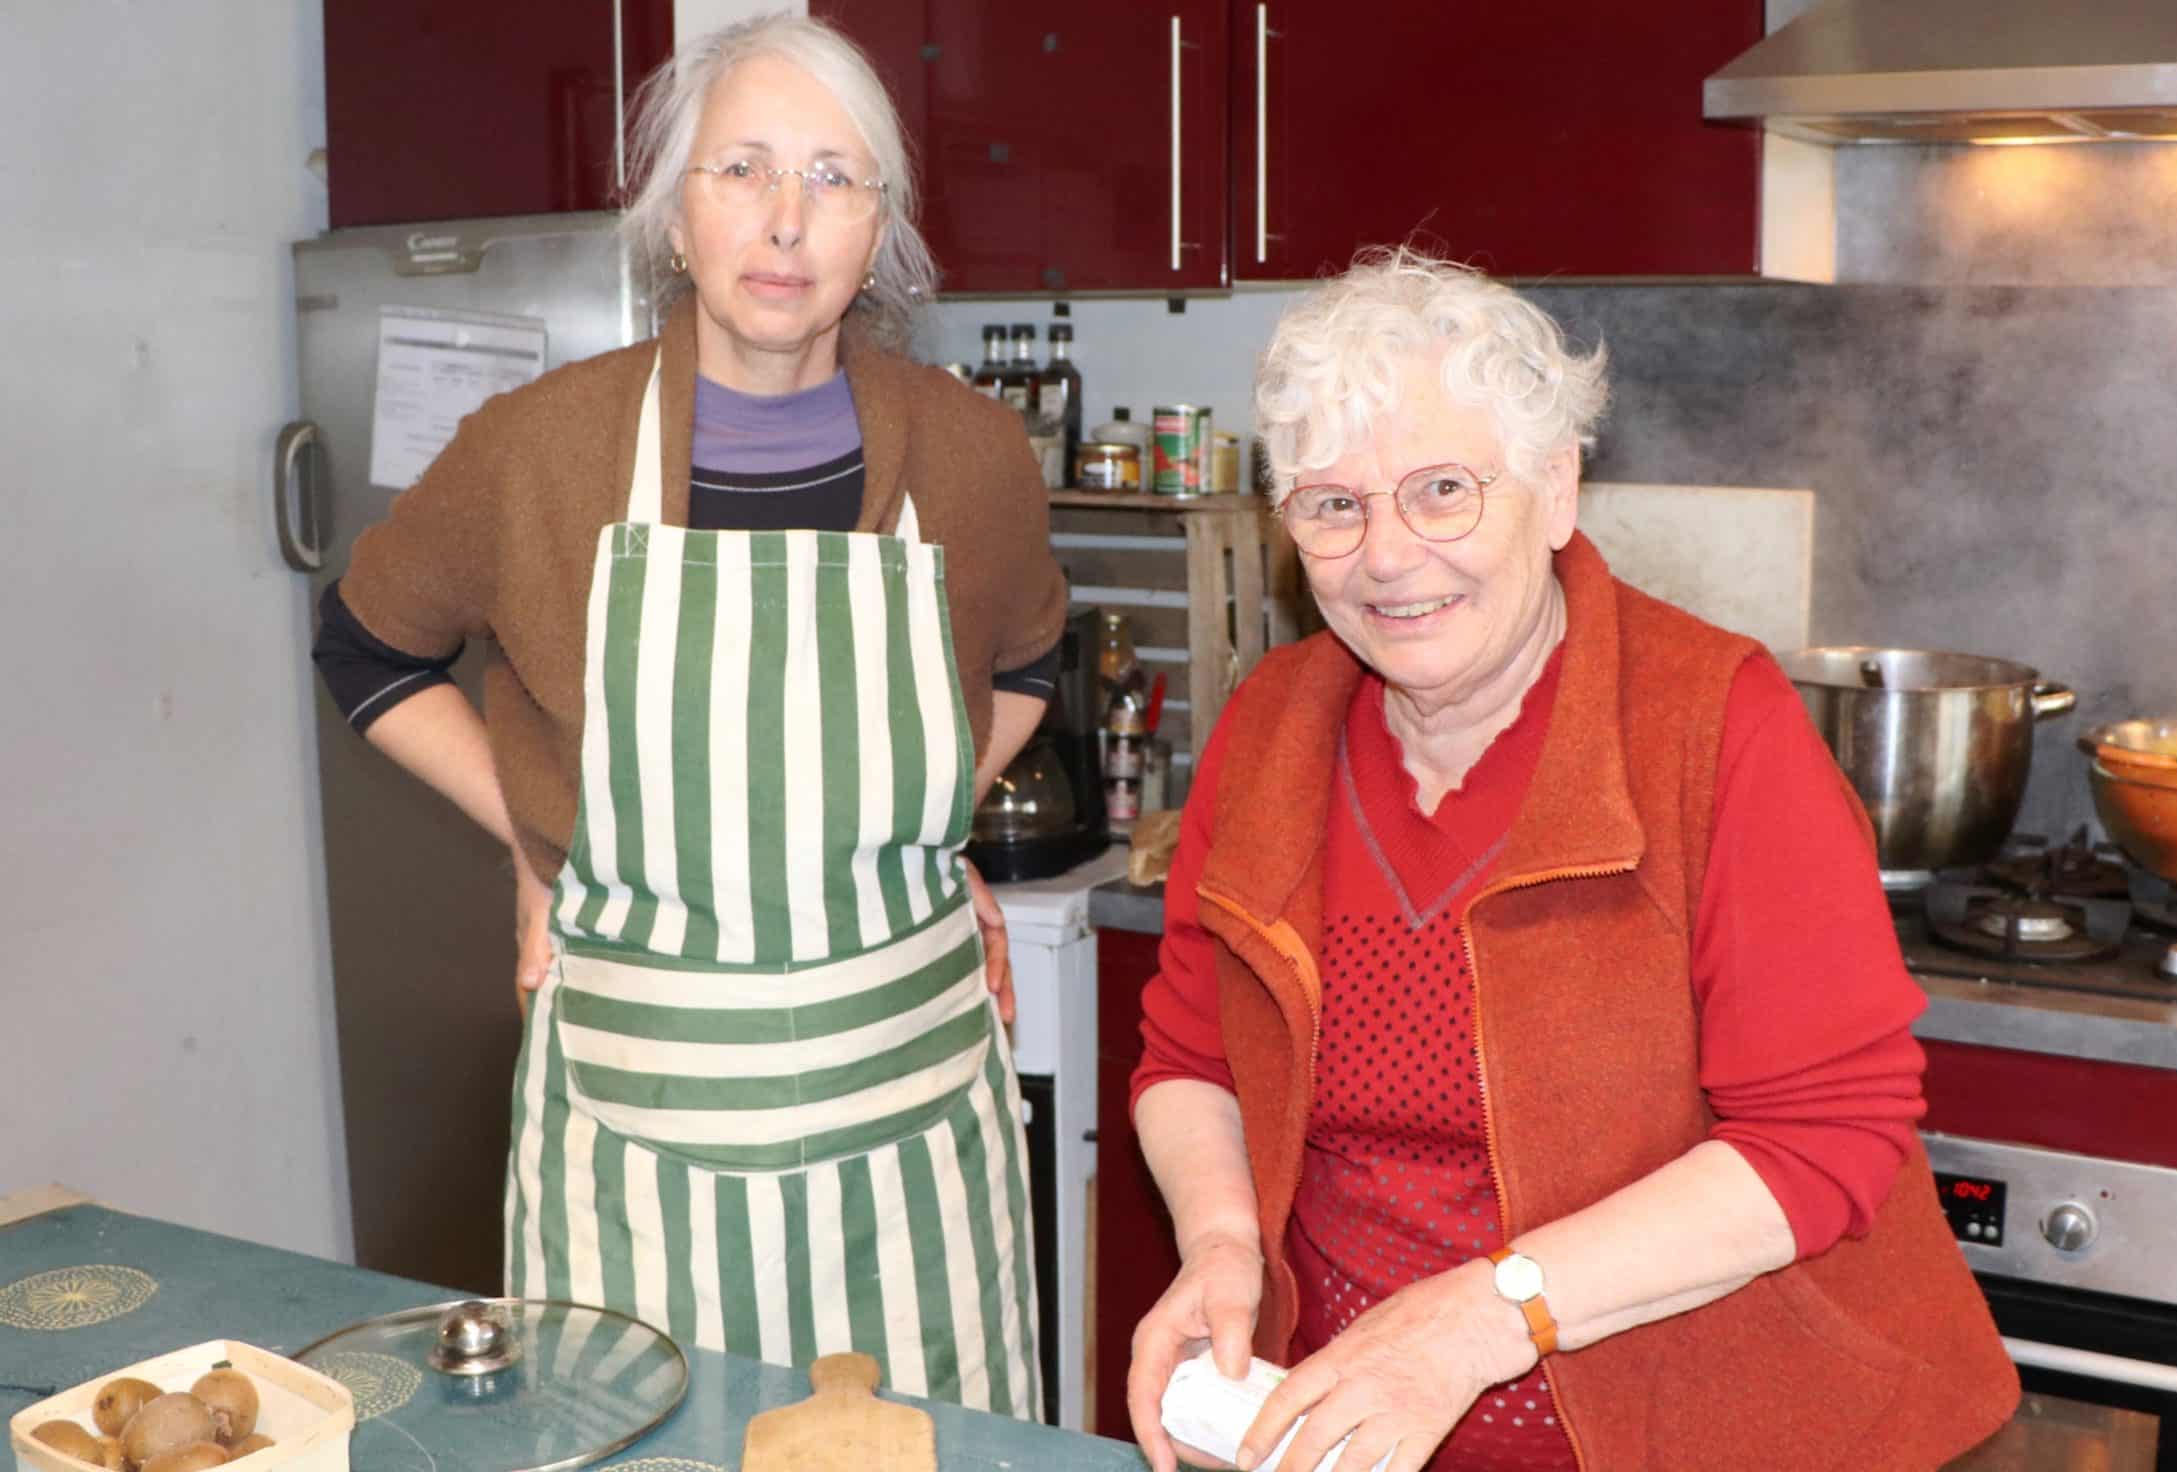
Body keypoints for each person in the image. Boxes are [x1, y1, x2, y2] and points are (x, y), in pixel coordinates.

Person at [1124, 249, 2018, 1471]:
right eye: (1332, 503)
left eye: (1442, 489)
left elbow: (1819, 1138)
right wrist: (1221, 1240)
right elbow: (1190, 1057)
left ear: (1554, 490)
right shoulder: (1271, 725)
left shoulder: (1714, 725)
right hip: (1358, 1432)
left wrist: (1474, 1318)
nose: (1386, 554)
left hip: (1704, 1426)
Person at [310, 14, 1057, 1414]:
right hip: (635, 1161)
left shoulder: (970, 454)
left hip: (910, 1165)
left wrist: (931, 808)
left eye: (835, 178)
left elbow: (1024, 668)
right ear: (672, 215)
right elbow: (366, 646)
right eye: (742, 170)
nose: (787, 221)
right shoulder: (536, 451)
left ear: (882, 225)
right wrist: (545, 835)